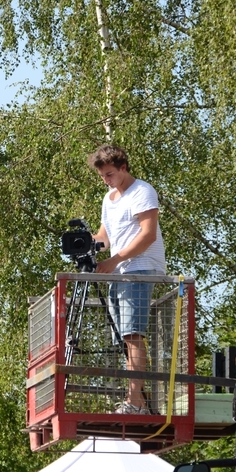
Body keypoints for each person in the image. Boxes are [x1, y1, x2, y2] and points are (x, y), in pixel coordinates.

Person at [88, 144, 167, 415]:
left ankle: (134, 402)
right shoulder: (109, 198)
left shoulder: (142, 191)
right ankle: (138, 402)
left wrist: (113, 260)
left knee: (133, 335)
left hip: (140, 269)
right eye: (102, 176)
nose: (105, 180)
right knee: (124, 336)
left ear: (123, 168)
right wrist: (85, 244)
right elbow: (104, 237)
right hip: (120, 272)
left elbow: (148, 234)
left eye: (109, 174)